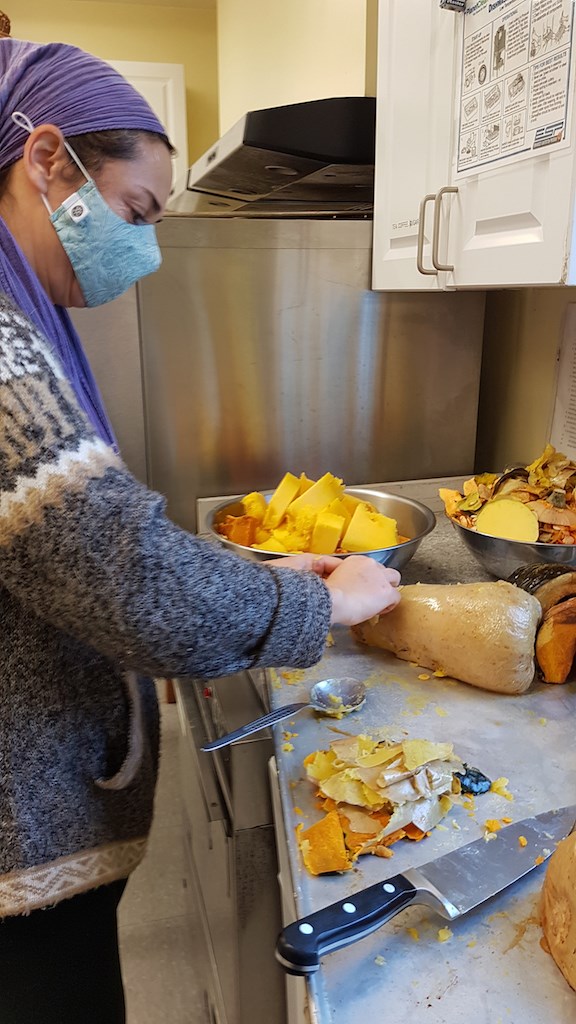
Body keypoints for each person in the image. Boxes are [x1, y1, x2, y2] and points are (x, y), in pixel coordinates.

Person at [0, 38, 402, 1024]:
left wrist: (237, 567)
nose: (144, 246)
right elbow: (114, 566)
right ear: (47, 159)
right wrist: (315, 597)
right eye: (138, 213)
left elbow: (74, 531)